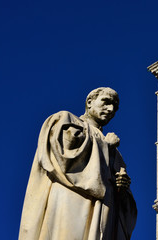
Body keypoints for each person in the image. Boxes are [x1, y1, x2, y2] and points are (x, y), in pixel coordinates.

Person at [19, 87, 137, 240]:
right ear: (90, 102)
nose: (111, 109)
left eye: (115, 107)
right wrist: (104, 146)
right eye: (106, 102)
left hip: (103, 212)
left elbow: (124, 209)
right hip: (70, 200)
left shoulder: (115, 151)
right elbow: (64, 157)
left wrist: (122, 187)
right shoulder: (66, 120)